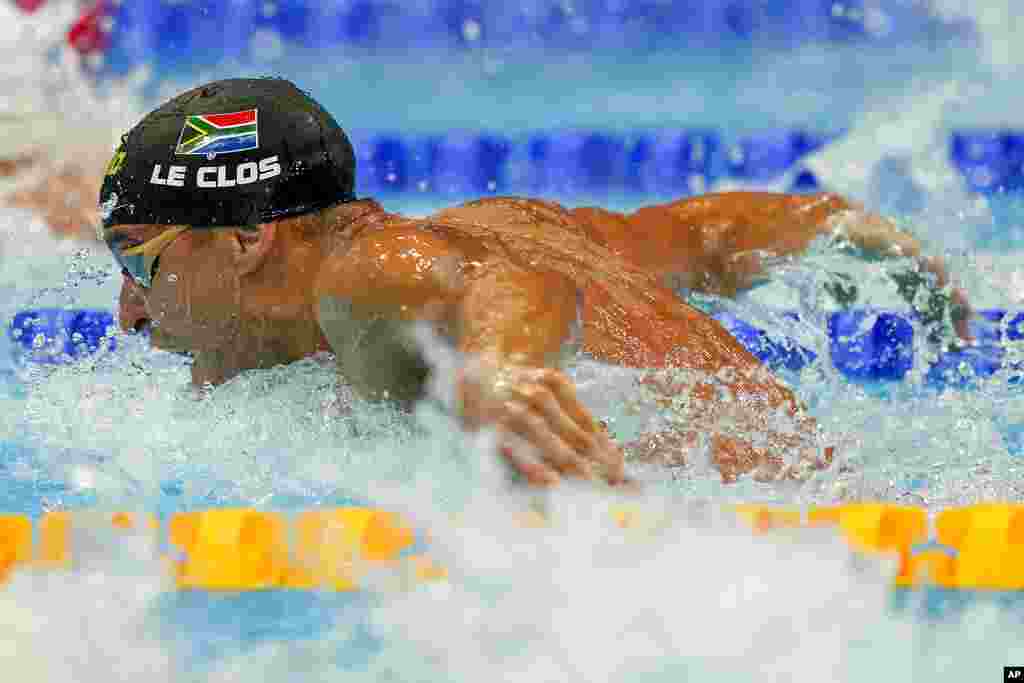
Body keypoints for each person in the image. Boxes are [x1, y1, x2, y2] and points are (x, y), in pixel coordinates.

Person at [90, 78, 968, 487]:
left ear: (248, 237)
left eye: (137, 260)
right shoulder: (513, 215)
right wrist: (843, 229)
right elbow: (705, 235)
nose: (128, 311)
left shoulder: (364, 275)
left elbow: (501, 288)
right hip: (849, 503)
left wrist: (501, 368)